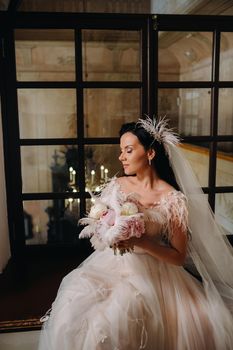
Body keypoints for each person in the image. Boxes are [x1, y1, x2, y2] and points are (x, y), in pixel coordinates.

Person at [38, 117, 233, 350]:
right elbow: (99, 224)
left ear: (150, 153)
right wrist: (106, 233)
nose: (121, 157)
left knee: (119, 318)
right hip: (110, 266)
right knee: (73, 310)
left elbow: (179, 256)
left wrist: (142, 242)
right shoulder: (118, 185)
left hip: (155, 274)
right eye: (121, 151)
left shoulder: (173, 199)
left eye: (128, 150)